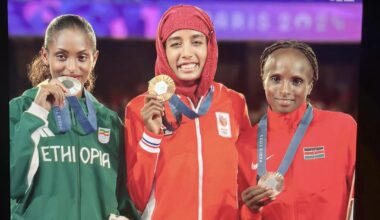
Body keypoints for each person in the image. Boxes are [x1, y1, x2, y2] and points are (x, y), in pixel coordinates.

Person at [124, 5, 251, 220]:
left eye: (196, 42)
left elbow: (246, 186)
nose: (187, 53)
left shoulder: (234, 103)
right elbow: (135, 199)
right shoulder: (140, 108)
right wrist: (151, 137)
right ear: (163, 50)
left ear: (210, 47)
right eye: (176, 44)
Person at [9, 14, 139, 220]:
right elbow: (13, 185)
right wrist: (36, 114)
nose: (71, 68)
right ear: (45, 56)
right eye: (61, 56)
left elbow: (126, 200)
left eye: (82, 57)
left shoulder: (110, 122)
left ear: (94, 58)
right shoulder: (18, 111)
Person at [237, 40, 357, 220]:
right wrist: (248, 211)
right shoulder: (244, 144)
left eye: (296, 81)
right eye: (276, 79)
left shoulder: (342, 128)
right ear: (263, 80)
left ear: (309, 86)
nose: (285, 90)